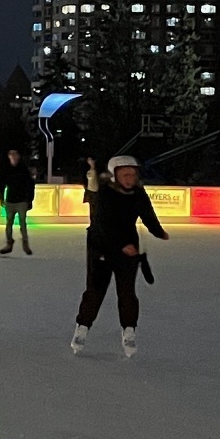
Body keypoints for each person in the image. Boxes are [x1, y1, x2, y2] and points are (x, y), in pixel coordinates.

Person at [71, 154, 169, 359]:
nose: (129, 178)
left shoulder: (138, 193)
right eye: (125, 174)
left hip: (128, 248)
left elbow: (147, 214)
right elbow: (102, 225)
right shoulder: (105, 194)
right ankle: (82, 328)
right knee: (95, 291)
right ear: (115, 175)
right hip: (101, 247)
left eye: (132, 174)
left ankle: (129, 331)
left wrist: (158, 231)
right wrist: (122, 245)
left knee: (127, 293)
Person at [0, 147, 37, 255]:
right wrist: (1, 197)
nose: (13, 157)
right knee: (9, 223)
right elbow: (1, 184)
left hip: (21, 200)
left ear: (18, 157)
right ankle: (9, 242)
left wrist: (30, 200)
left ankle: (25, 243)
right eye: (11, 155)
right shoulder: (6, 169)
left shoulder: (23, 169)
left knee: (22, 223)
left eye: (15, 154)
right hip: (10, 200)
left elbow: (30, 185)